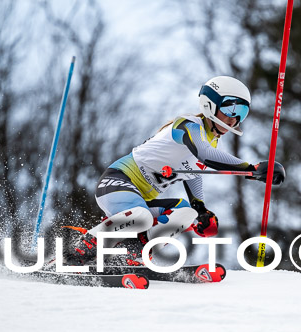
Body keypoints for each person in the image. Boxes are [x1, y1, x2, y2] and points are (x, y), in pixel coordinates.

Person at [71, 75, 285, 266]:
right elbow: (205, 155)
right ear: (210, 104)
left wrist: (201, 211)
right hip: (117, 182)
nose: (234, 118)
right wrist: (252, 169)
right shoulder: (188, 125)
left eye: (242, 112)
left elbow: (192, 174)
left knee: (186, 212)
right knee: (142, 217)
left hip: (143, 201)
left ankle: (134, 254)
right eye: (231, 108)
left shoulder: (211, 142)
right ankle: (85, 244)